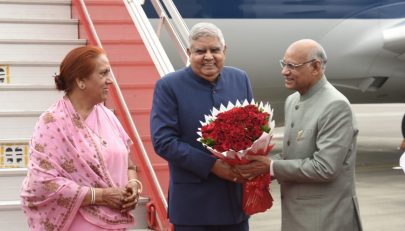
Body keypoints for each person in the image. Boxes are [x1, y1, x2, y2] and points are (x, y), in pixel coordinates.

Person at [236, 39, 363, 231]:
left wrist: (271, 167)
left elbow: (324, 168)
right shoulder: (292, 100)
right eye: (284, 64)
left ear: (316, 67)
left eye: (292, 66)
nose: (284, 71)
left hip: (326, 218)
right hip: (297, 215)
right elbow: (294, 155)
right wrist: (258, 165)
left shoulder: (335, 105)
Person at [20, 46, 143, 230]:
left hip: (114, 224)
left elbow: (129, 164)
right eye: (103, 73)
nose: (110, 80)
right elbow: (42, 182)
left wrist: (133, 185)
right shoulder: (52, 122)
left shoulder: (107, 116)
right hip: (77, 223)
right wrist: (101, 196)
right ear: (81, 81)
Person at [150, 22, 253, 230]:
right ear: (189, 53)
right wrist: (212, 165)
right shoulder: (169, 86)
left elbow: (252, 130)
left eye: (214, 50)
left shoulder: (240, 79)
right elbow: (163, 141)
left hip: (234, 205)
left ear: (225, 50)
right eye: (200, 51)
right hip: (194, 209)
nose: (208, 57)